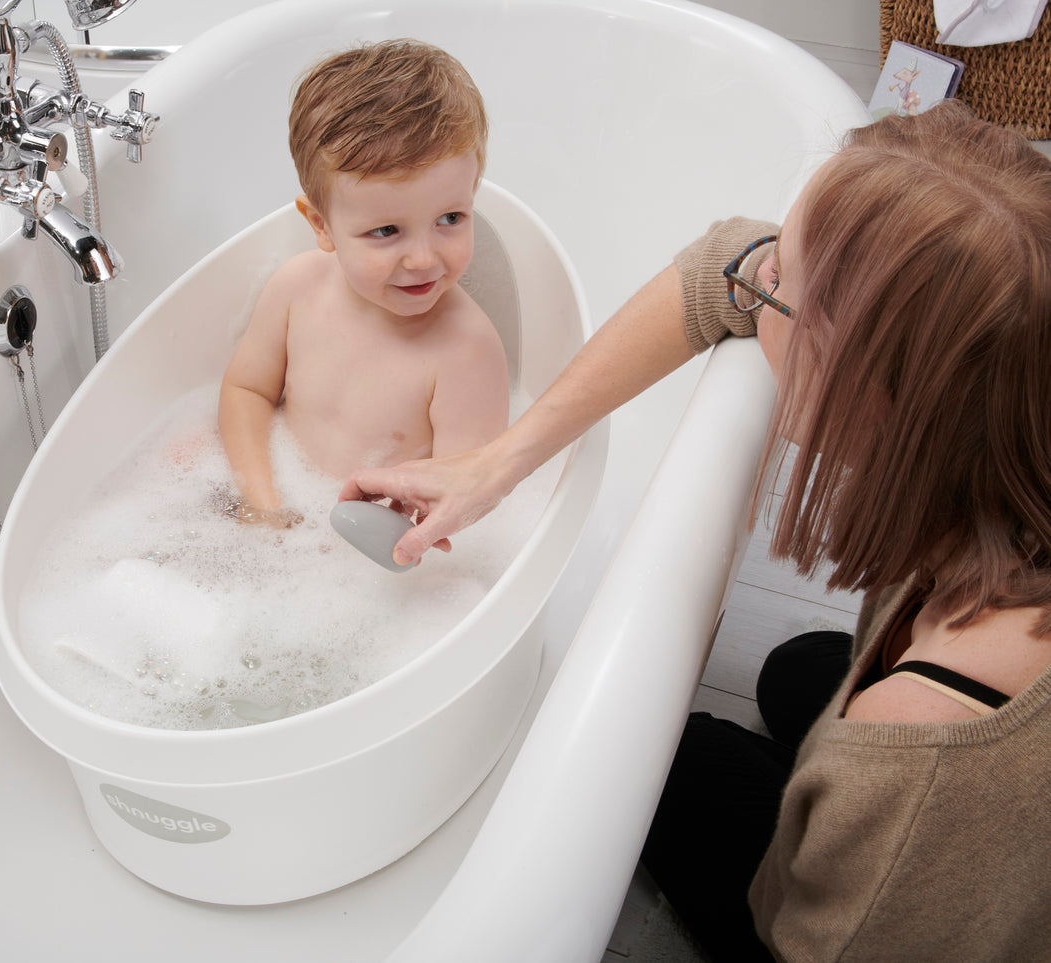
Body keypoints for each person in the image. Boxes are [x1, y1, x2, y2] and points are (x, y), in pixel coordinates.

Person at [341, 101, 1051, 960]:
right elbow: (721, 265)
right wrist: (497, 462)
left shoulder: (927, 754)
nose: (751, 285)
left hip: (896, 900)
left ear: (860, 380)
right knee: (797, 672)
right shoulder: (1011, 392)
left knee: (642, 769)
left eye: (777, 290)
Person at [218, 39, 508, 526]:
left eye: (451, 217)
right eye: (387, 231)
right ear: (321, 226)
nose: (423, 258)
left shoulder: (466, 351)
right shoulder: (297, 289)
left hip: (380, 551)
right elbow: (246, 390)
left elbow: (465, 502)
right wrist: (261, 499)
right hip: (286, 502)